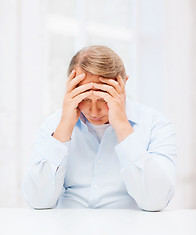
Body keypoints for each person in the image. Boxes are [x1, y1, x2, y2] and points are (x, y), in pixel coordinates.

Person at [22, 45, 177, 211]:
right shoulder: (53, 125)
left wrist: (123, 127)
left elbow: (155, 202)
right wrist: (64, 128)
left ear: (123, 85)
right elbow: (37, 200)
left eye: (104, 99)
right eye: (85, 99)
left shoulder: (155, 125)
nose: (94, 112)